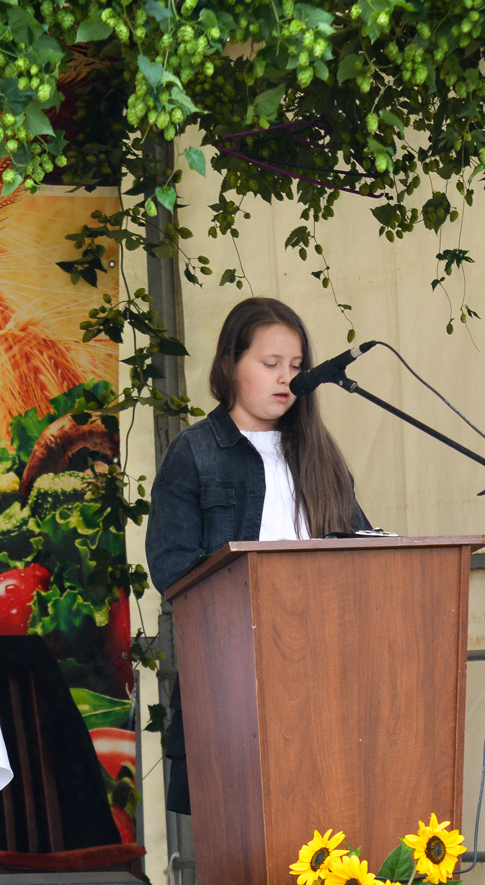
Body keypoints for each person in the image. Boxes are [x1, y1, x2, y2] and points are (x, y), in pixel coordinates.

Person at [145, 296, 370, 814]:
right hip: (234, 678)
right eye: (270, 364)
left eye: (296, 366)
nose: (286, 379)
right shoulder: (195, 452)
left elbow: (358, 549)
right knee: (245, 832)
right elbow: (174, 568)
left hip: (326, 669)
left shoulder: (319, 453)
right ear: (229, 364)